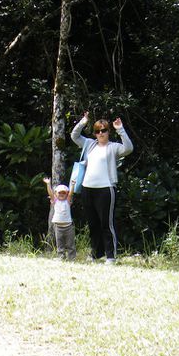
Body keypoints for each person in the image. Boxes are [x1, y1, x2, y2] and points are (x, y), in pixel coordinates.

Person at [70, 111, 133, 264]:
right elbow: (74, 135)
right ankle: (96, 254)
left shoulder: (114, 147)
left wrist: (121, 129)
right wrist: (83, 121)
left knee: (106, 223)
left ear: (108, 132)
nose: (100, 133)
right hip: (87, 189)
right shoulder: (89, 144)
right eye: (97, 131)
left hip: (106, 189)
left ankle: (110, 256)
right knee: (93, 224)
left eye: (103, 130)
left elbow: (129, 148)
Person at [43, 178, 76, 261]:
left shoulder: (67, 201)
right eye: (59, 193)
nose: (61, 194)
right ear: (56, 194)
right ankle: (61, 256)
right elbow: (50, 193)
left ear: (66, 194)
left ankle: (71, 258)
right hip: (58, 227)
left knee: (70, 243)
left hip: (68, 226)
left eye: (63, 193)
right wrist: (48, 184)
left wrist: (72, 185)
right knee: (59, 243)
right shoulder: (55, 201)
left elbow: (70, 194)